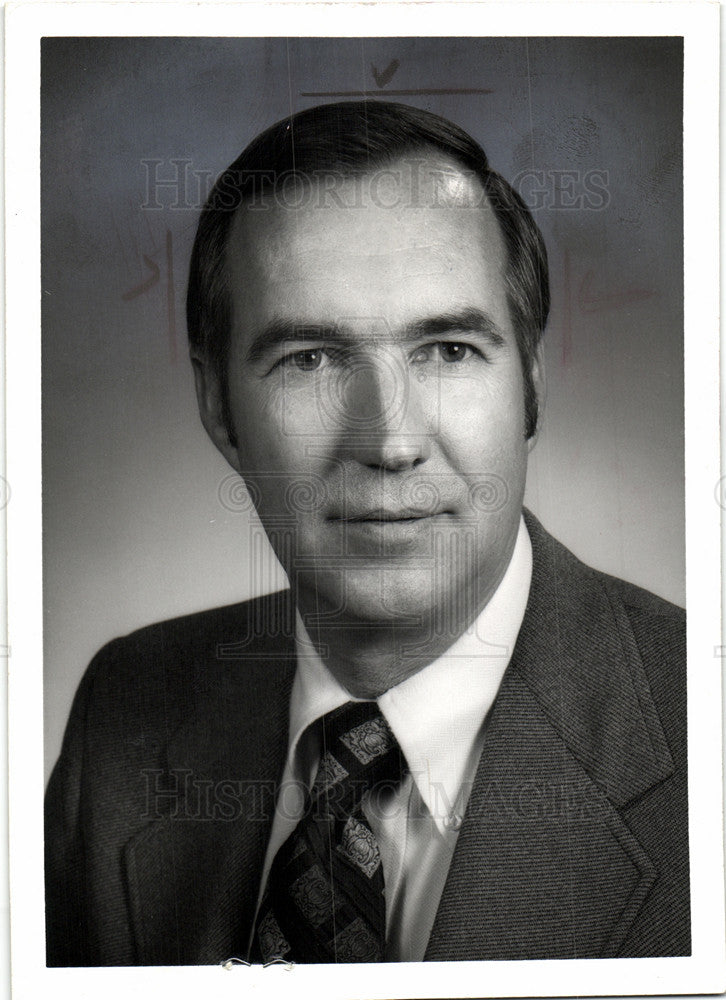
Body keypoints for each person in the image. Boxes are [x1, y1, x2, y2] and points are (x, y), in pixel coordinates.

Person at [45, 100, 689, 966]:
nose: (389, 441)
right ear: (217, 406)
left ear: (530, 377)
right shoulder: (124, 710)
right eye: (310, 358)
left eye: (450, 349)